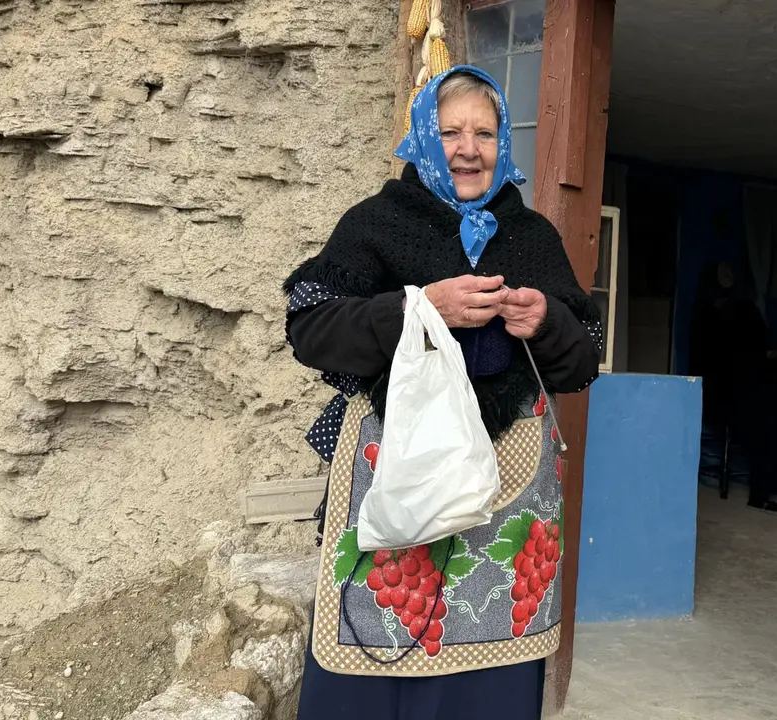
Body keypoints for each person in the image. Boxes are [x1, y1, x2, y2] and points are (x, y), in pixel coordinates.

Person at [281, 67, 602, 720]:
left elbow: (579, 364)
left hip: (505, 485)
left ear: (502, 145)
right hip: (398, 468)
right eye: (449, 131)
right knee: (374, 664)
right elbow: (310, 327)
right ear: (422, 140)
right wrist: (419, 308)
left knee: (488, 687)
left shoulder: (532, 236)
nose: (467, 147)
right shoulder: (376, 223)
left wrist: (545, 322)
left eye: (483, 133)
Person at [688, 261, 777, 516]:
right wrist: (756, 358)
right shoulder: (704, 313)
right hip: (722, 394)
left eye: (730, 271)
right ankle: (759, 496)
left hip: (755, 384)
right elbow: (716, 359)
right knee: (765, 420)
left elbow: (760, 346)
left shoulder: (745, 308)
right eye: (722, 271)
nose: (728, 276)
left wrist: (771, 355)